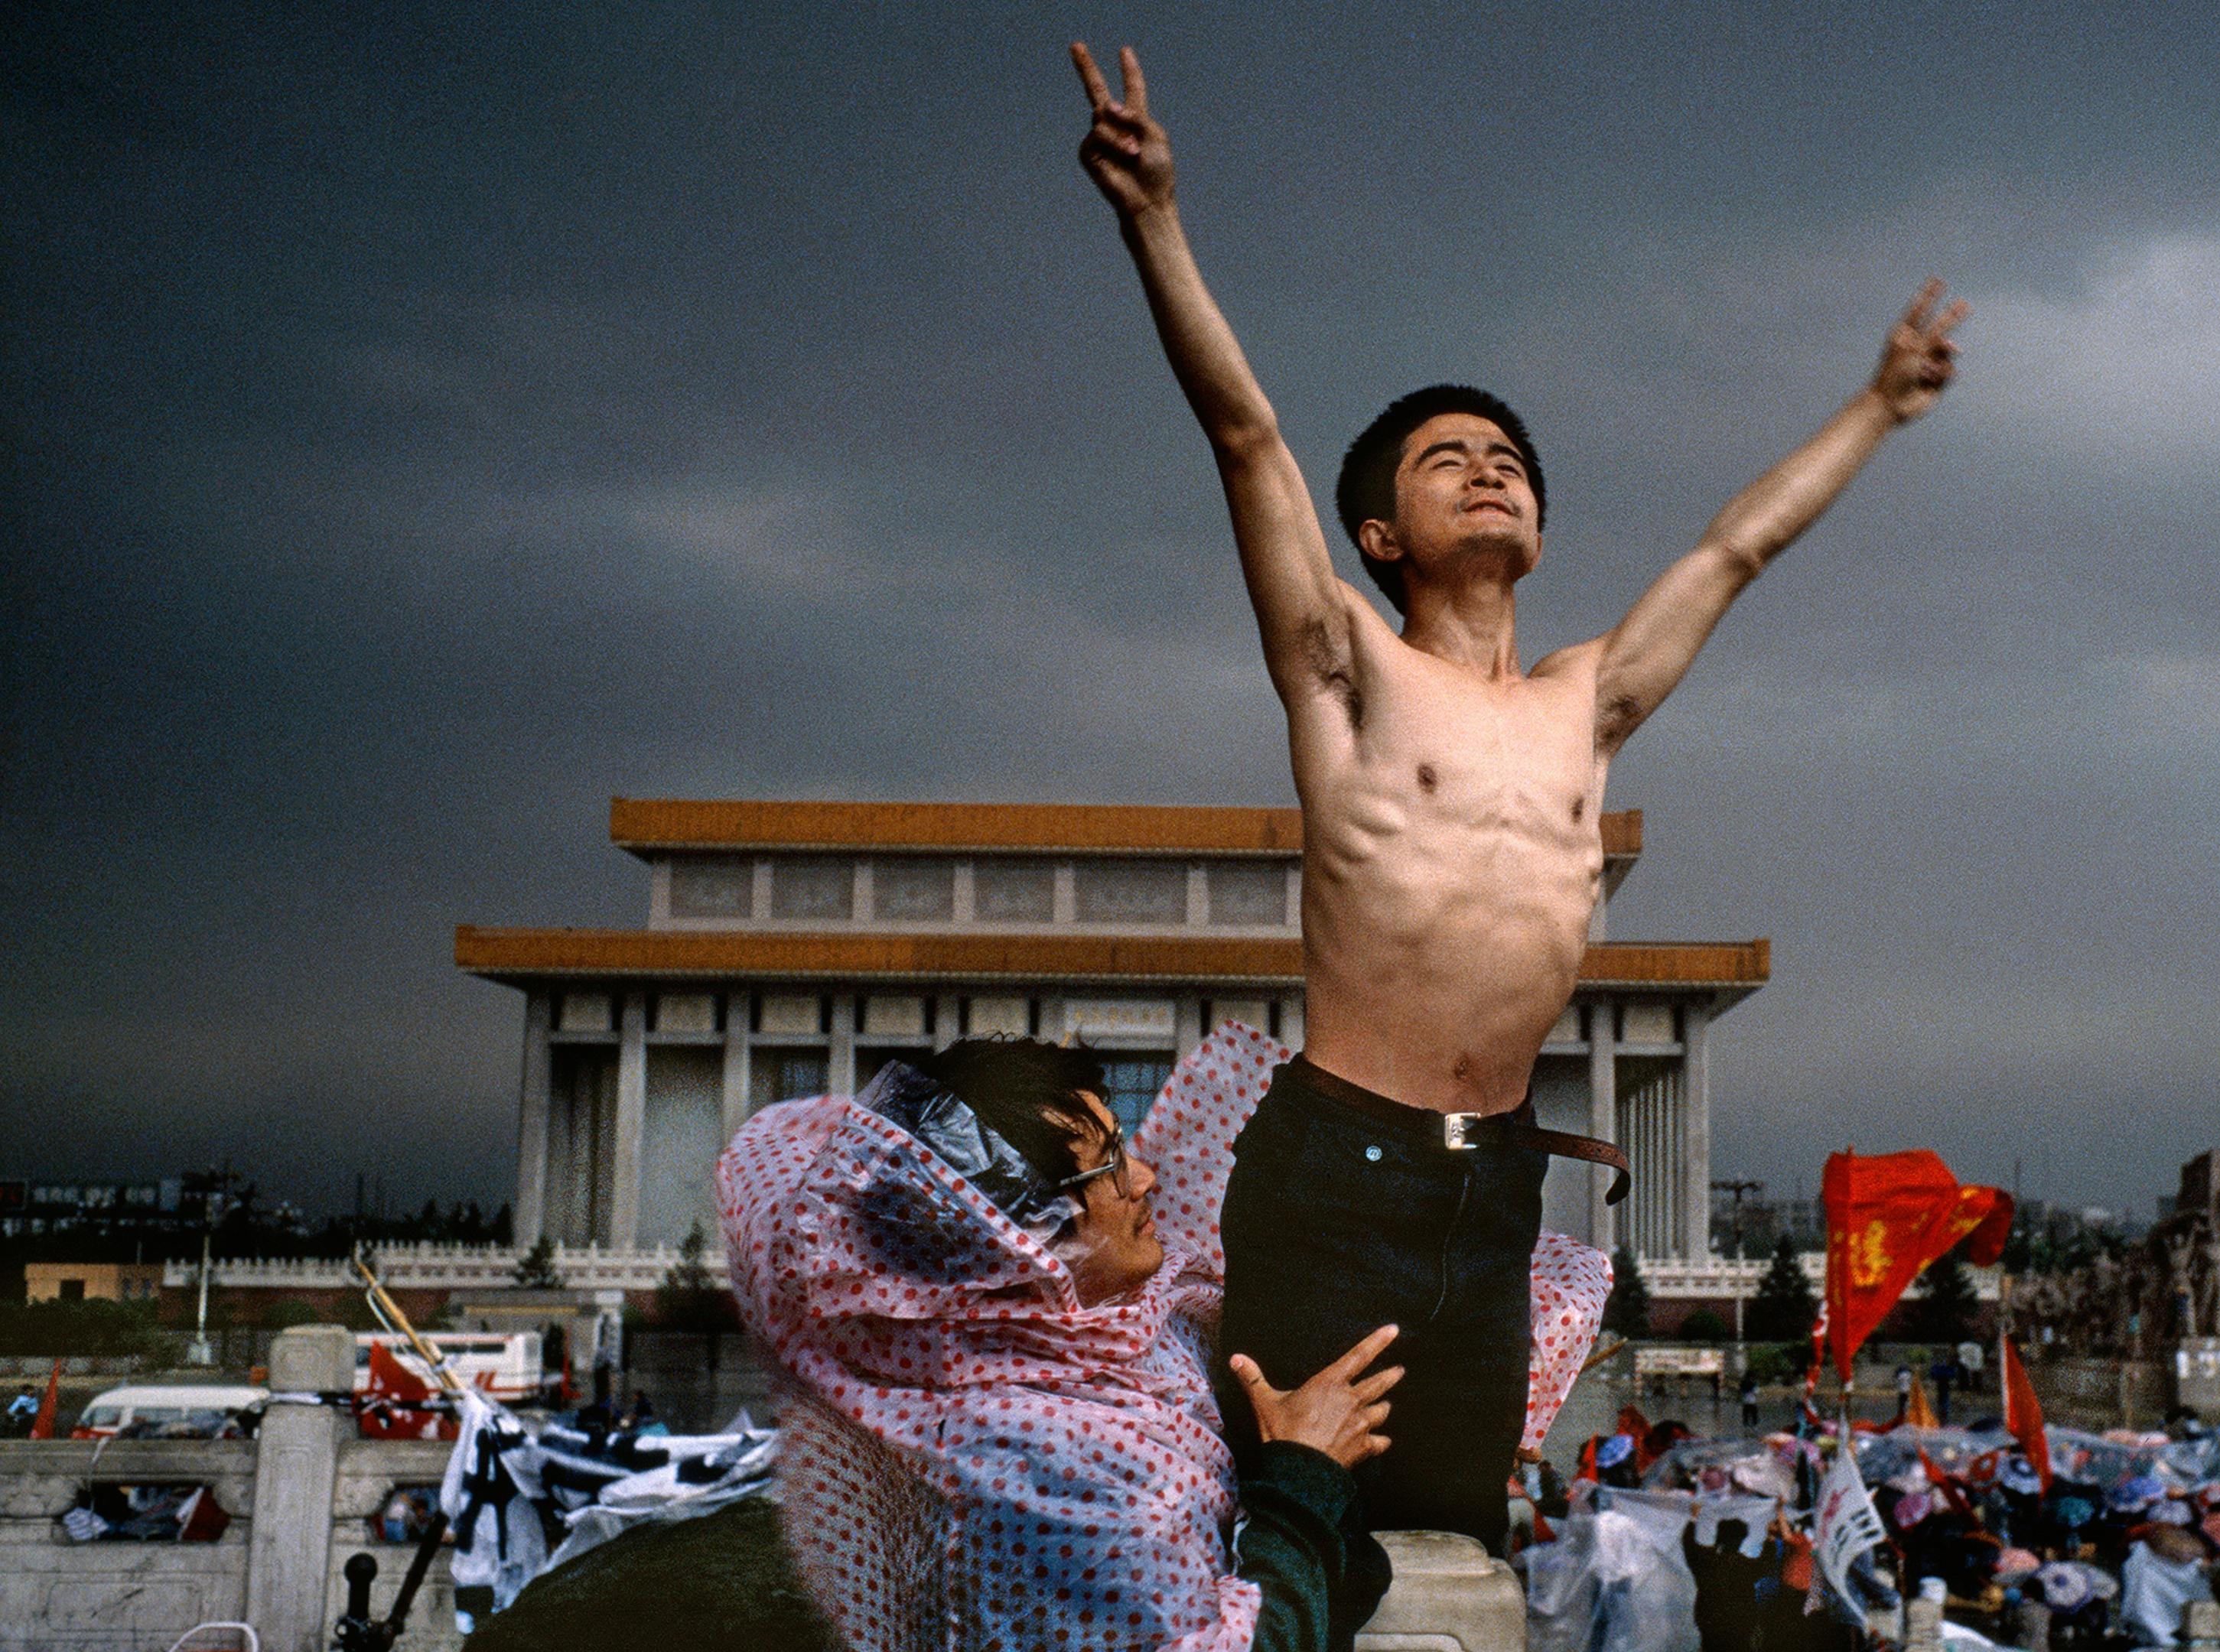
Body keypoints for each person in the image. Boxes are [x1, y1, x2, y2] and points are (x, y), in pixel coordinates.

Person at [1070, 41, 1968, 1548]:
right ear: (1378, 532)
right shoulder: (1342, 667)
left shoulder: (1585, 706)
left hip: (1492, 1197)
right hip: (1336, 1175)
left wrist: (1876, 405)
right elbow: (1247, 435)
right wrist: (1157, 219)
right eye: (1446, 461)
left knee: (1455, 1558)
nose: (1489, 472)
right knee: (1296, 1535)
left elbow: (1737, 546)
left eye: (1509, 461)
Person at [718, 1038, 1402, 1652]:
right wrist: (1304, 1480)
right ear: (1016, 1242)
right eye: (1107, 1168)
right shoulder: (1040, 1458)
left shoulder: (1063, 1347)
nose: (1143, 1178)